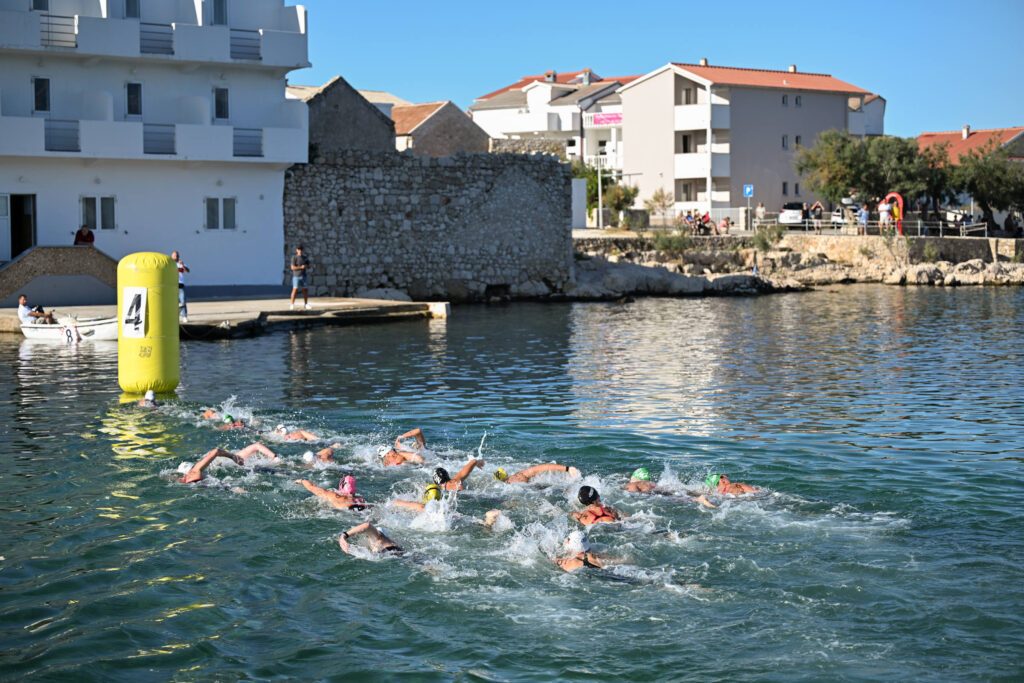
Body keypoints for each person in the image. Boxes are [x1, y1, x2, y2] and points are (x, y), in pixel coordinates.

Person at [178, 443, 278, 484]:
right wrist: (232, 456)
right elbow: (257, 445)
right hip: (222, 482)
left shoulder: (185, 479)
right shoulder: (196, 470)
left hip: (212, 487)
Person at [623, 467, 717, 509]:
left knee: (674, 498)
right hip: (663, 487)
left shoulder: (632, 485)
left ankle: (698, 499)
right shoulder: (652, 483)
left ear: (634, 478)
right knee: (681, 491)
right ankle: (709, 493)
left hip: (651, 494)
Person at [295, 475, 368, 511]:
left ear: (341, 485)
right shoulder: (361, 500)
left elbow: (311, 487)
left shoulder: (332, 495)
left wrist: (302, 481)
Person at [338, 522, 403, 556]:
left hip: (388, 552)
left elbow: (367, 525)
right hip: (397, 553)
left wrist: (344, 536)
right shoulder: (388, 541)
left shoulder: (378, 537)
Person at [494, 463, 582, 484]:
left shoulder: (520, 475)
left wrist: (567, 469)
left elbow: (543, 467)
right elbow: (543, 467)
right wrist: (567, 469)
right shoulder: (520, 475)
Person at [289, 245, 311, 311]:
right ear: (296, 250)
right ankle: (292, 304)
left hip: (304, 276)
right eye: (299, 249)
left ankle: (306, 304)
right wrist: (300, 267)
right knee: (295, 290)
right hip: (296, 276)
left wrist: (306, 266)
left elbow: (309, 266)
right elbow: (292, 268)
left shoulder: (305, 258)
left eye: (301, 249)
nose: (300, 251)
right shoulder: (294, 257)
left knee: (305, 290)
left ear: (302, 250)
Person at [171, 251, 190, 322]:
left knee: (182, 301)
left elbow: (188, 271)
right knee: (173, 302)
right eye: (175, 256)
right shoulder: (169, 264)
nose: (176, 257)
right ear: (172, 256)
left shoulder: (180, 263)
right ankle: (174, 316)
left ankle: (184, 316)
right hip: (172, 285)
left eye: (177, 256)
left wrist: (183, 265)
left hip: (180, 284)